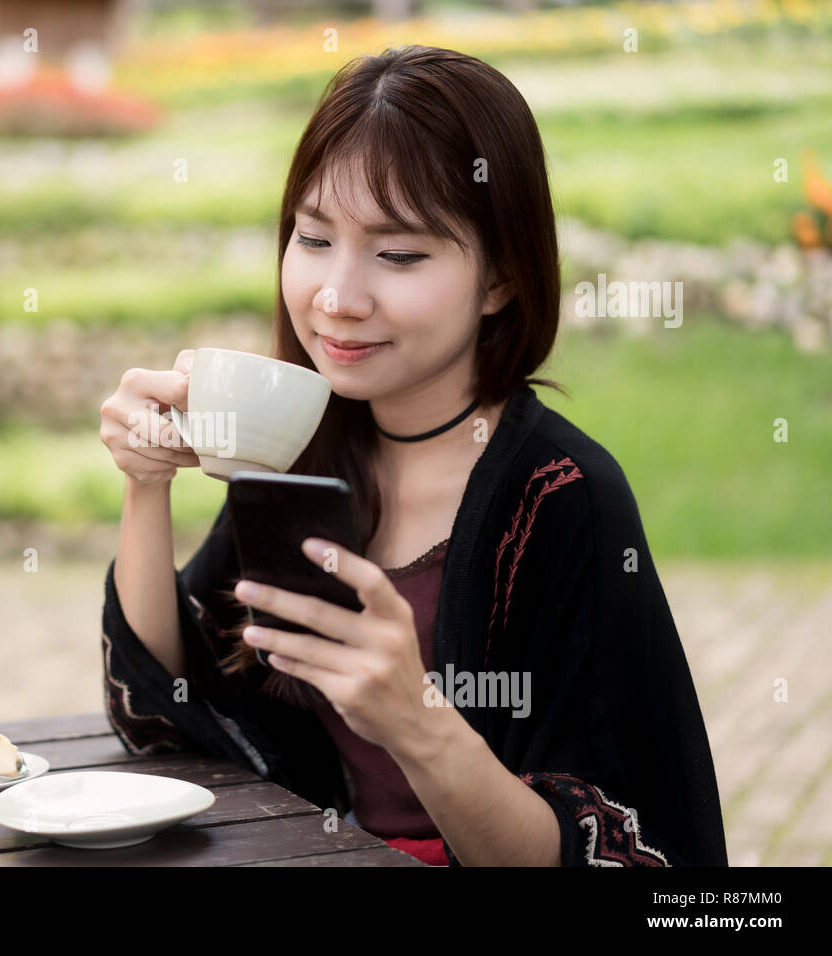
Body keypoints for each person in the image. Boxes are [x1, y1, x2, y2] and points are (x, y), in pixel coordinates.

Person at [97, 46, 727, 867]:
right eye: (314, 238)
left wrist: (415, 717)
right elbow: (169, 709)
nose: (339, 297)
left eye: (398, 255)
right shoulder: (300, 450)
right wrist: (145, 489)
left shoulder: (564, 498)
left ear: (500, 277)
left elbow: (615, 851)